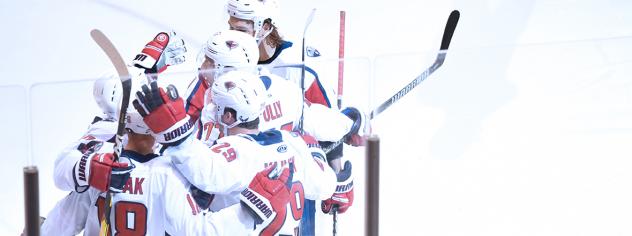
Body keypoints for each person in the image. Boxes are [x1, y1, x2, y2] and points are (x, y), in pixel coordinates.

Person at [43, 75, 295, 235]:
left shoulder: (102, 165)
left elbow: (64, 219)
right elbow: (196, 232)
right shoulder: (167, 174)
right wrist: (249, 213)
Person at [133, 70, 350, 235]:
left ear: (229, 116)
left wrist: (176, 133)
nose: (210, 109)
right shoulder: (293, 143)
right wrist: (317, 154)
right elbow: (325, 186)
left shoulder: (236, 152)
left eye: (215, 105)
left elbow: (205, 170)